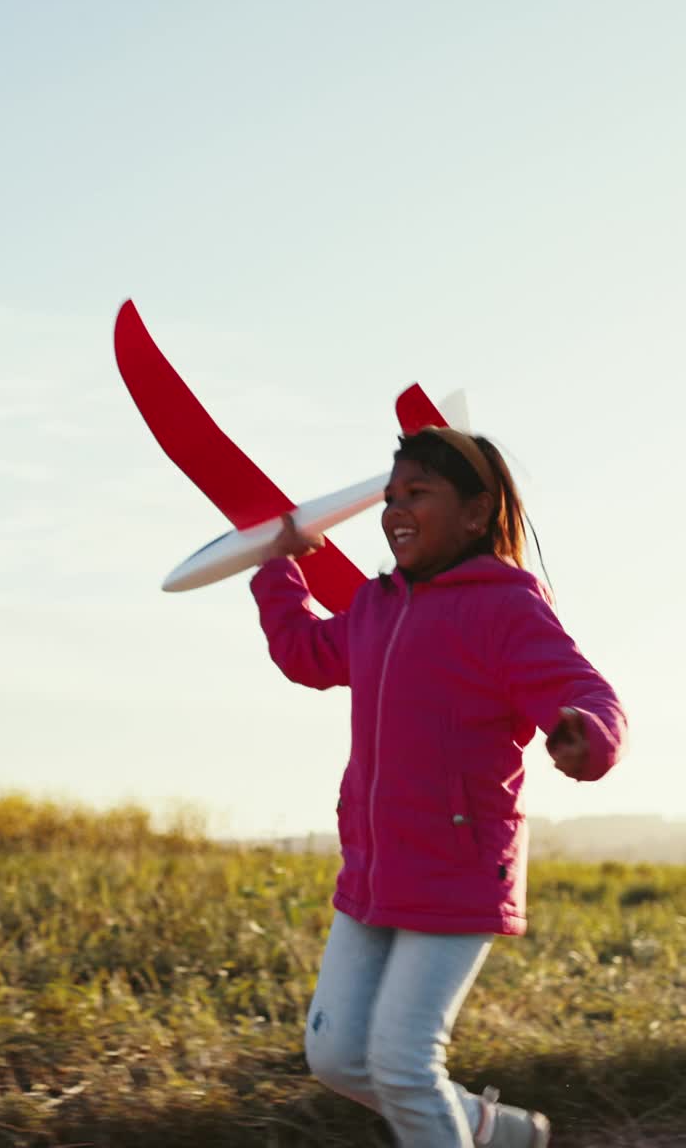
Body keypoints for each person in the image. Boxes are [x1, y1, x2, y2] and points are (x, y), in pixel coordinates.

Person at [250, 426, 627, 1148]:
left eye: (417, 493)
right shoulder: (376, 606)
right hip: (374, 867)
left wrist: (587, 732)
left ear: (477, 512)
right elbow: (305, 654)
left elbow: (584, 689)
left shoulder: (505, 608)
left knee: (402, 1066)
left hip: (457, 868)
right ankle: (491, 1129)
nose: (396, 510)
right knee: (335, 1057)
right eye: (391, 497)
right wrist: (277, 571)